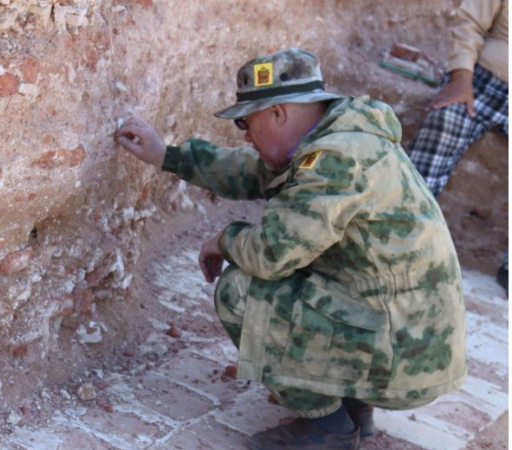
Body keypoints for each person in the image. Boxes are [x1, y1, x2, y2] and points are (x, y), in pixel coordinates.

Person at [115, 48, 466, 450]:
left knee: (240, 291)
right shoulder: (346, 136)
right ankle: (354, 409)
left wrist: (225, 239)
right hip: (409, 338)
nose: (246, 135)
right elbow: (255, 170)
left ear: (278, 113)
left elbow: (270, 254)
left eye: (246, 122)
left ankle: (328, 429)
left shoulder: (334, 161)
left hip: (405, 358)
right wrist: (169, 156)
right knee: (309, 271)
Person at [406, 0, 507, 290]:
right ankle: (402, 227)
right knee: (445, 121)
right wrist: (461, 77)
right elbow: (469, 23)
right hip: (483, 80)